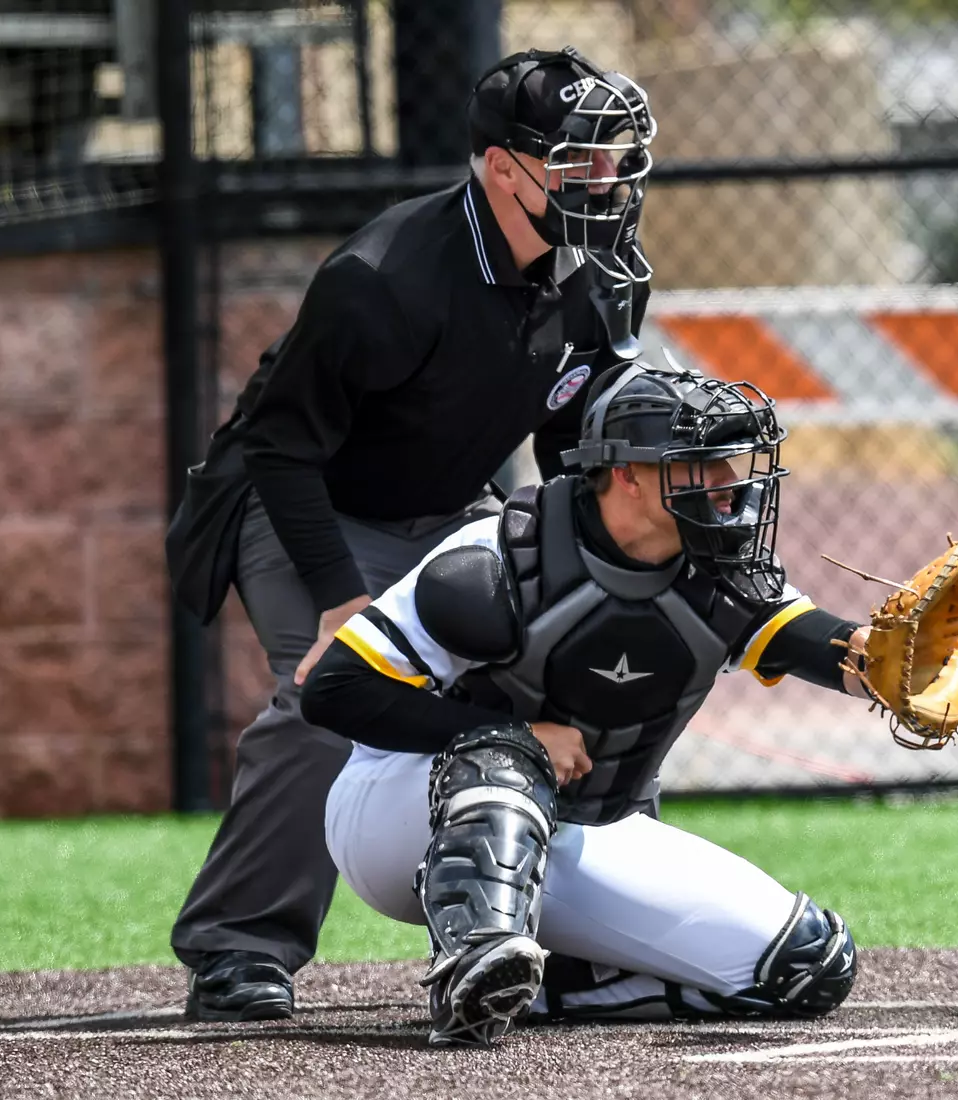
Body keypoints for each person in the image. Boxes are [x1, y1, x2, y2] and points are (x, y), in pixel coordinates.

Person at [170, 45, 658, 1022]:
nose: (601, 182)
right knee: (330, 693)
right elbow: (279, 447)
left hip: (451, 503)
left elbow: (572, 445)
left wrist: (591, 586)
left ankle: (592, 939)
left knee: (585, 670)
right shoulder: (382, 278)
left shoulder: (600, 274)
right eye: (576, 160)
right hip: (304, 503)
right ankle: (238, 947)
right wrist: (345, 602)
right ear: (500, 168)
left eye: (611, 160)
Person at [300, 361, 890, 1046]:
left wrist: (892, 665)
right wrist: (515, 731)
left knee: (807, 967)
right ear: (627, 474)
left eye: (735, 465)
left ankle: (544, 987)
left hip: (582, 828)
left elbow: (820, 646)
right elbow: (334, 690)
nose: (732, 488)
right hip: (397, 818)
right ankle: (471, 955)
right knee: (509, 753)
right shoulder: (502, 556)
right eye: (703, 465)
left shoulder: (723, 570)